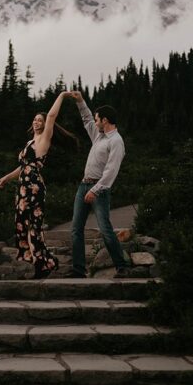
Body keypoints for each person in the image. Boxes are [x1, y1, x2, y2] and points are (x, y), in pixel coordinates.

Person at [0, 90, 75, 279]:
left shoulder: (43, 139)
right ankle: (40, 262)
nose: (36, 122)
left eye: (39, 120)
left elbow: (51, 115)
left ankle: (42, 264)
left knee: (33, 225)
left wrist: (63, 95)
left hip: (34, 187)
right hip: (23, 188)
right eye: (35, 119)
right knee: (22, 225)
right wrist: (7, 178)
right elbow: (23, 167)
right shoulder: (29, 142)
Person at [70, 91, 130, 278]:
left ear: (104, 120)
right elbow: (87, 119)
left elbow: (111, 171)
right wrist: (80, 101)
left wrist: (95, 190)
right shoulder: (99, 135)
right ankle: (78, 270)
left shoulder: (116, 141)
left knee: (105, 229)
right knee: (76, 230)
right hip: (83, 186)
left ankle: (122, 266)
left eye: (98, 120)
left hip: (99, 189)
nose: (95, 123)